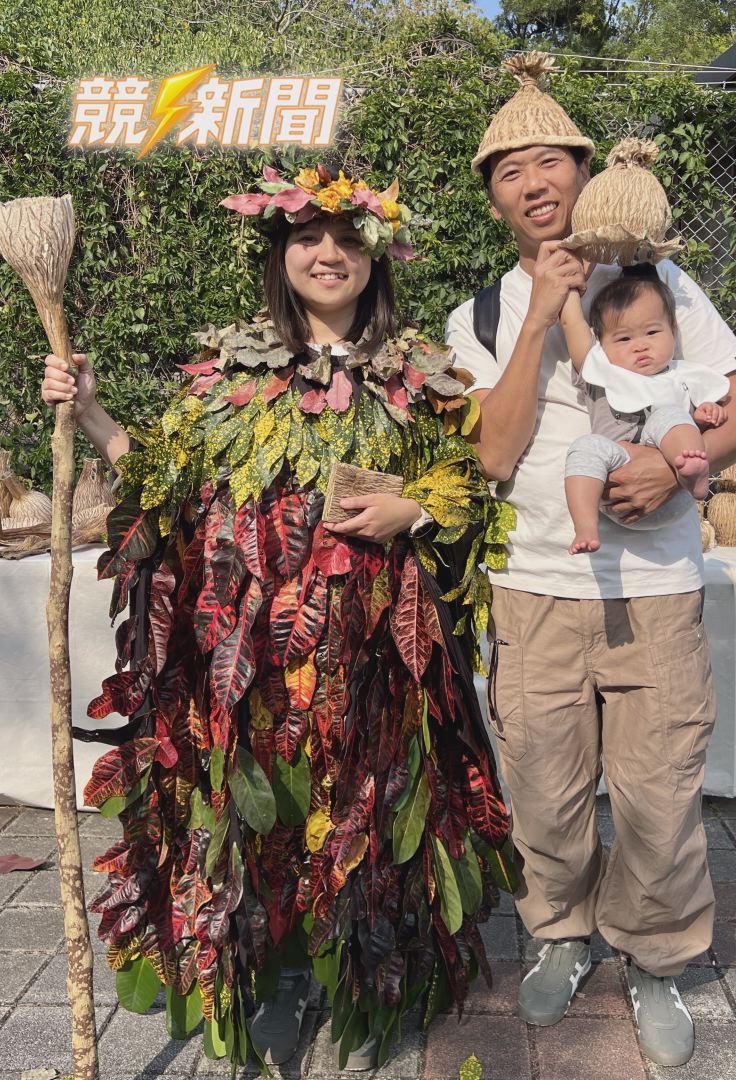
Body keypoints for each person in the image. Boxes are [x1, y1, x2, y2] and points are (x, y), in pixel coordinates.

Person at [42, 165, 515, 1071]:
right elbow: (164, 481)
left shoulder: (417, 378)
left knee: (364, 811)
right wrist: (93, 410)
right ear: (280, 256)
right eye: (307, 239)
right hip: (251, 649)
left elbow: (472, 482)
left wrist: (409, 509)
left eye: (346, 240)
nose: (328, 254)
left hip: (376, 657)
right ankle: (285, 975)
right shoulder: (226, 376)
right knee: (269, 805)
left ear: (375, 259)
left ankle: (367, 968)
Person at [443, 52, 736, 1067]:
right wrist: (543, 313)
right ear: (494, 197)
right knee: (541, 780)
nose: (536, 183)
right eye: (512, 171)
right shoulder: (482, 316)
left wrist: (681, 470)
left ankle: (661, 957)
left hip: (658, 587)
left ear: (587, 176)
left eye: (553, 163)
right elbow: (489, 455)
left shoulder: (662, 284)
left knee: (660, 787)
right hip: (533, 584)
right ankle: (560, 935)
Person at [555, 264, 730, 555]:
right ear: (601, 343)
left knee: (670, 416)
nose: (640, 346)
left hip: (671, 491)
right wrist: (570, 290)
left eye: (652, 332)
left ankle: (694, 472)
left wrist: (706, 413)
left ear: (673, 332)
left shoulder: (682, 374)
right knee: (585, 447)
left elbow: (708, 407)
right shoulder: (601, 370)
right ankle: (585, 526)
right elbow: (572, 325)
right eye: (624, 338)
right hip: (616, 489)